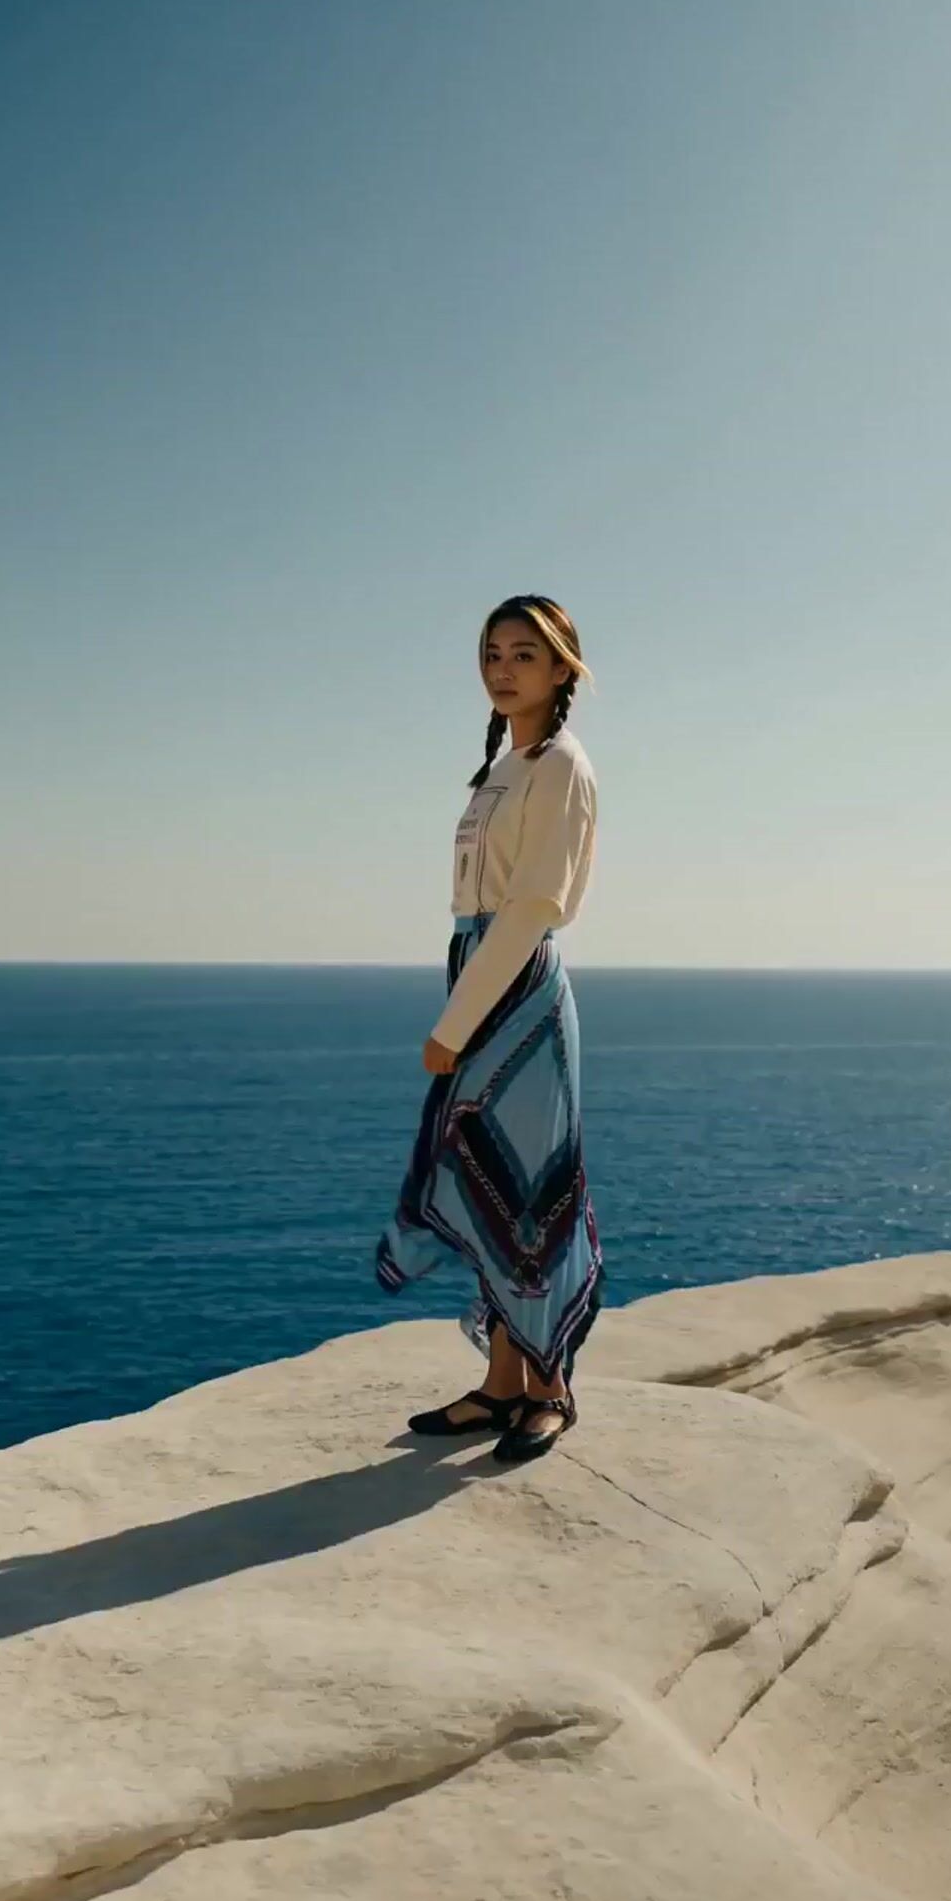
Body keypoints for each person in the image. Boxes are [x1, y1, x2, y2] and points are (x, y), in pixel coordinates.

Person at [375, 595, 602, 1463]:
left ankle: (551, 1387)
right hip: (476, 966)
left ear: (561, 670)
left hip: (516, 988)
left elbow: (537, 905)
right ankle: (502, 1382)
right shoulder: (502, 768)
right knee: (482, 1184)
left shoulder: (561, 766)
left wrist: (456, 1020)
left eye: (524, 655)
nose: (503, 669)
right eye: (493, 653)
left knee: (531, 1194)